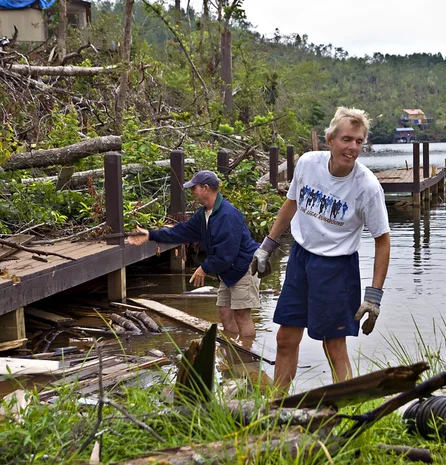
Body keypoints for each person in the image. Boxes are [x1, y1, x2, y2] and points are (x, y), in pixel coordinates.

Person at [251, 107, 391, 391]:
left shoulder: (367, 187)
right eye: (346, 139)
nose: (352, 148)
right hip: (300, 260)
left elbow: (382, 240)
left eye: (359, 141)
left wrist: (373, 296)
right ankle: (279, 408)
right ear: (330, 140)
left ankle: (347, 413)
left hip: (337, 268)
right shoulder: (308, 164)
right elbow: (291, 203)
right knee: (285, 339)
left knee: (334, 346)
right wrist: (267, 246)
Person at [127, 170, 260, 338]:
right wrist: (151, 235)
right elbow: (181, 232)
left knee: (241, 315)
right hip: (228, 270)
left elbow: (227, 254)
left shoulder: (228, 215)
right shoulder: (204, 213)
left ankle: (247, 359)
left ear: (205, 188)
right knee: (225, 313)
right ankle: (233, 354)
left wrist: (204, 268)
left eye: (193, 188)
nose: (191, 192)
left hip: (243, 267)